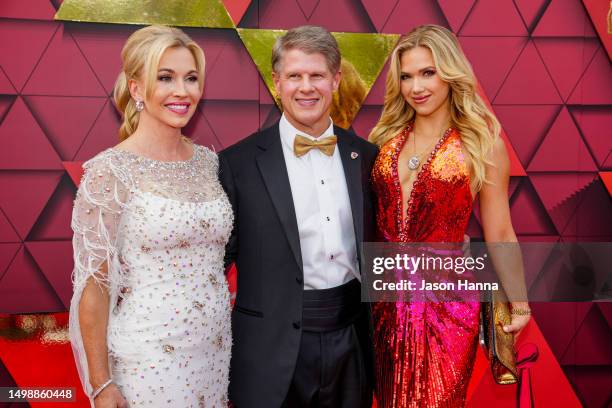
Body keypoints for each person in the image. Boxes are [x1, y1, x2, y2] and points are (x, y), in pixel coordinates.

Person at [69, 25, 233, 407]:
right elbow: (94, 286)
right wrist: (101, 383)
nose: (182, 91)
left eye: (191, 78)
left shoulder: (208, 163)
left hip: (214, 356)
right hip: (148, 360)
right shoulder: (109, 172)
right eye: (166, 78)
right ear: (137, 88)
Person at [368, 25, 531, 407]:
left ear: (451, 73)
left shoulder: (481, 143)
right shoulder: (383, 140)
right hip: (383, 305)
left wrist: (520, 303)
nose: (416, 87)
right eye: (406, 76)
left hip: (447, 306)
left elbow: (501, 231)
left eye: (428, 72)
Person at [218, 25, 378, 407]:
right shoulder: (236, 164)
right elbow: (215, 262)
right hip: (269, 349)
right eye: (294, 76)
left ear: (336, 80)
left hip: (351, 340)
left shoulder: (367, 158)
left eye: (317, 75)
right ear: (277, 82)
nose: (306, 87)